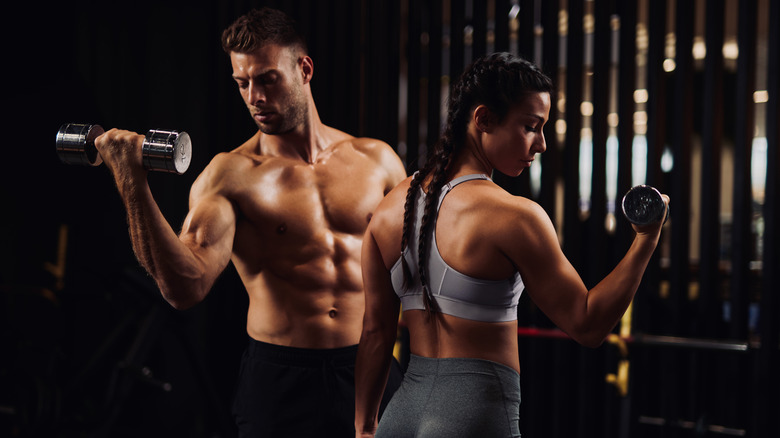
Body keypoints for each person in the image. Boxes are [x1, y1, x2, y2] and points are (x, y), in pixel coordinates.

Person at [93, 7, 407, 437]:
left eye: (267, 79)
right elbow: (185, 286)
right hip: (282, 379)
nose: (254, 97)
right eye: (242, 83)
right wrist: (133, 185)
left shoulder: (379, 161)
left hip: (370, 366)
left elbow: (417, 274)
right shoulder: (231, 176)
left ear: (304, 69)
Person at [354, 52, 669, 438]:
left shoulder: (387, 212)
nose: (542, 145)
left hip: (398, 417)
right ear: (483, 118)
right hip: (474, 417)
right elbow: (588, 325)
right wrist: (646, 239)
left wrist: (366, 428)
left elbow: (374, 334)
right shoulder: (515, 216)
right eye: (530, 127)